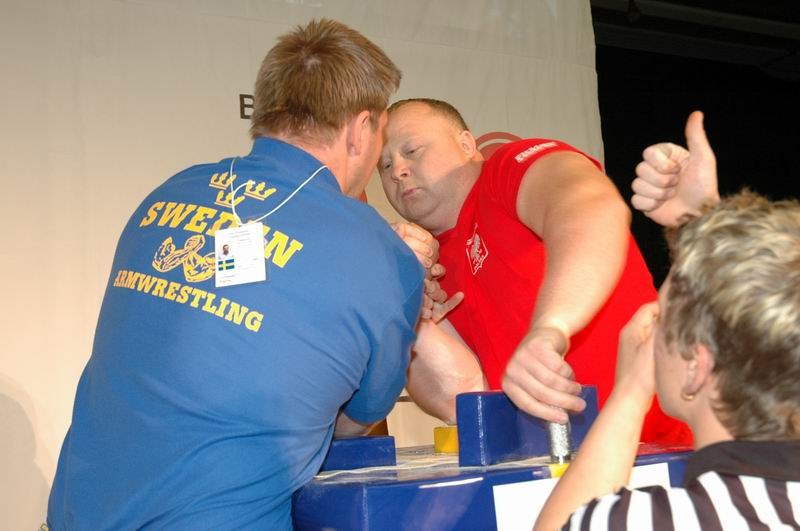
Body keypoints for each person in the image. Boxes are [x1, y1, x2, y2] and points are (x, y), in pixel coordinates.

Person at [47, 19, 425, 529]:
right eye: (381, 131)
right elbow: (357, 422)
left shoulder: (168, 193)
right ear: (360, 130)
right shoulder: (381, 252)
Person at [379, 98, 690, 445]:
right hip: (556, 470)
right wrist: (409, 301)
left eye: (412, 150)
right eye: (385, 164)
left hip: (669, 446)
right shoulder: (430, 266)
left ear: (467, 145)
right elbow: (463, 397)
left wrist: (550, 330)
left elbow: (593, 208)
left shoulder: (507, 171)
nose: (397, 170)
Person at [534, 189, 800, 530]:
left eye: (662, 319)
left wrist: (629, 394)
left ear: (696, 366)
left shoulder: (658, 520)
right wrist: (700, 218)